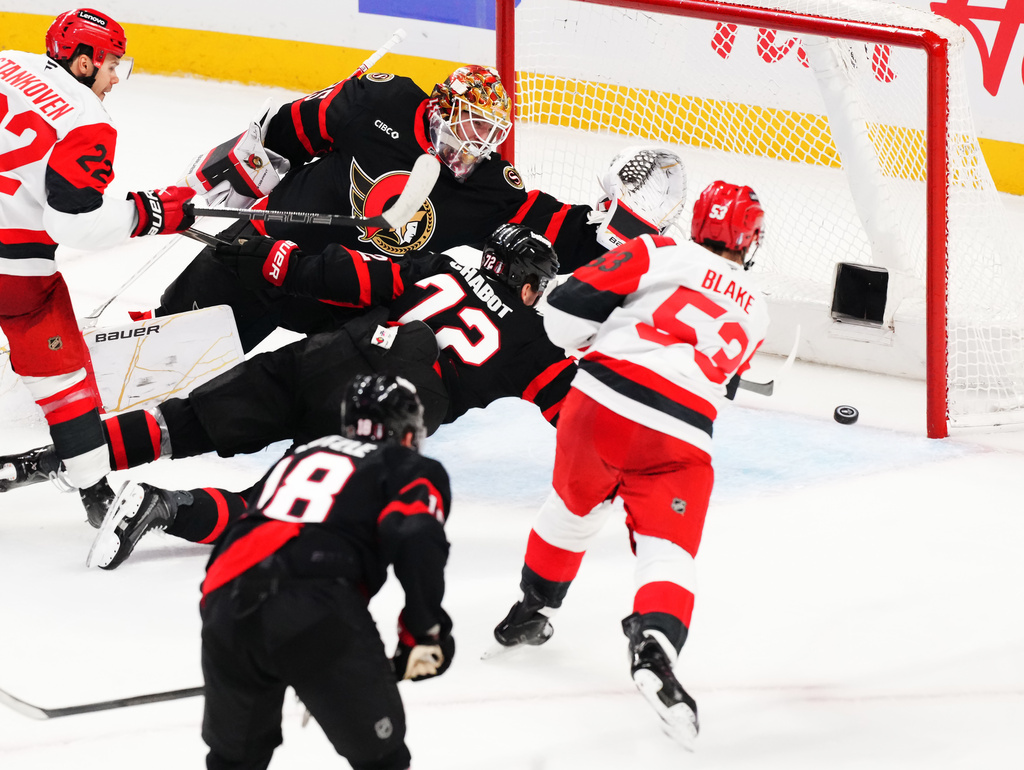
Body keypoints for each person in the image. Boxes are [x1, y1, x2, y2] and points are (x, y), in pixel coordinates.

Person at [0, 222, 570, 568]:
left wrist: (268, 260)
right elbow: (574, 412)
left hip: (327, 354)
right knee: (271, 508)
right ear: (524, 281)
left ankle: (43, 460)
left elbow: (345, 276)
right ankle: (164, 507)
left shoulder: (437, 267)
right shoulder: (533, 343)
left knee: (181, 423)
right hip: (381, 409)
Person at [487, 181, 769, 750]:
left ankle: (530, 609)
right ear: (750, 242)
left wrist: (588, 336)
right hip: (679, 434)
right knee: (668, 552)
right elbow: (723, 376)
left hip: (596, 405)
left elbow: (563, 315)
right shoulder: (758, 310)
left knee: (570, 508)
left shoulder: (658, 250)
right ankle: (654, 649)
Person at [153, 63, 687, 352]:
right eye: (468, 126)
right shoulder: (378, 103)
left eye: (489, 136)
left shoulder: (487, 184)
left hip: (344, 303)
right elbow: (291, 128)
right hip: (268, 256)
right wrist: (239, 169)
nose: (474, 146)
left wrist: (627, 226)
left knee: (315, 393)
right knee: (160, 355)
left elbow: (560, 234)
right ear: (440, 108)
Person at [198, 372, 453, 770]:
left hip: (224, 601)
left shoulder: (301, 455)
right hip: (314, 608)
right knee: (383, 760)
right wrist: (423, 631)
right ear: (407, 432)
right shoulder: (406, 464)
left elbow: (249, 529)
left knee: (233, 761)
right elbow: (415, 533)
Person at [0, 9, 197, 511]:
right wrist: (147, 214)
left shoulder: (6, 62)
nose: (115, 78)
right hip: (14, 273)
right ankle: (94, 491)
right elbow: (72, 223)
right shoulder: (87, 121)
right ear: (83, 62)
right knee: (61, 375)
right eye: (112, 65)